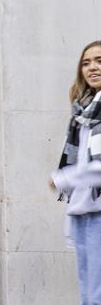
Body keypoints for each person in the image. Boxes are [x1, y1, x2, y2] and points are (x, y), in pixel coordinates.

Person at [50, 40, 101, 304]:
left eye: (99, 61)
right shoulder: (82, 113)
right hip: (83, 210)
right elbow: (77, 160)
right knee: (88, 294)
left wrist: (62, 179)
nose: (92, 67)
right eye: (86, 62)